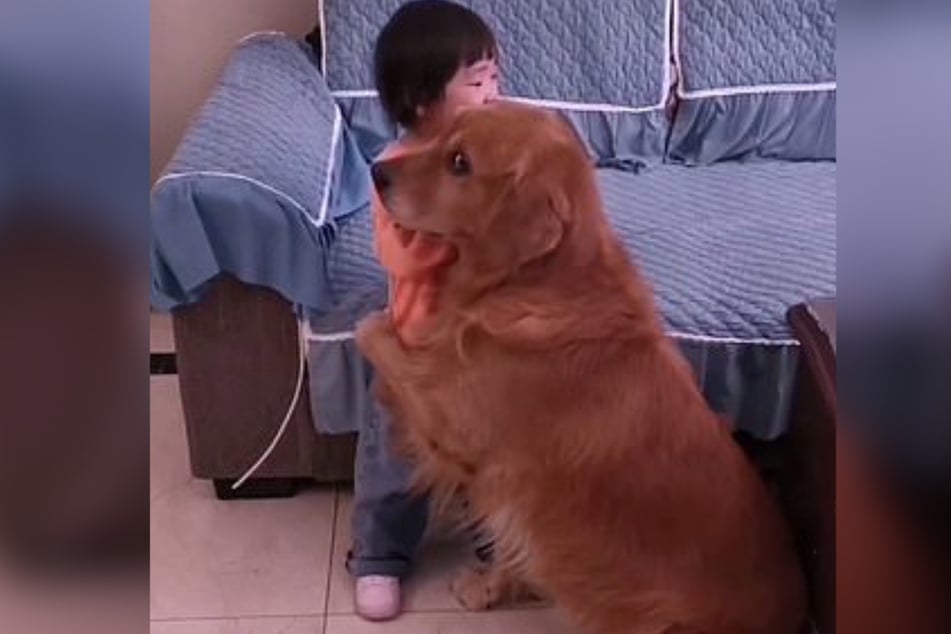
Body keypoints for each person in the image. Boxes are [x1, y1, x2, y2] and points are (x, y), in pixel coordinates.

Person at [347, 0, 501, 622]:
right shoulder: (395, 171)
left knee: (490, 459)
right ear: (420, 100)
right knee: (396, 458)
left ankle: (499, 554)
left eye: (496, 75)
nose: (494, 91)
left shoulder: (490, 149)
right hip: (416, 350)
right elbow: (404, 254)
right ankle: (380, 556)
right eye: (477, 81)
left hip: (481, 352)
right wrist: (473, 231)